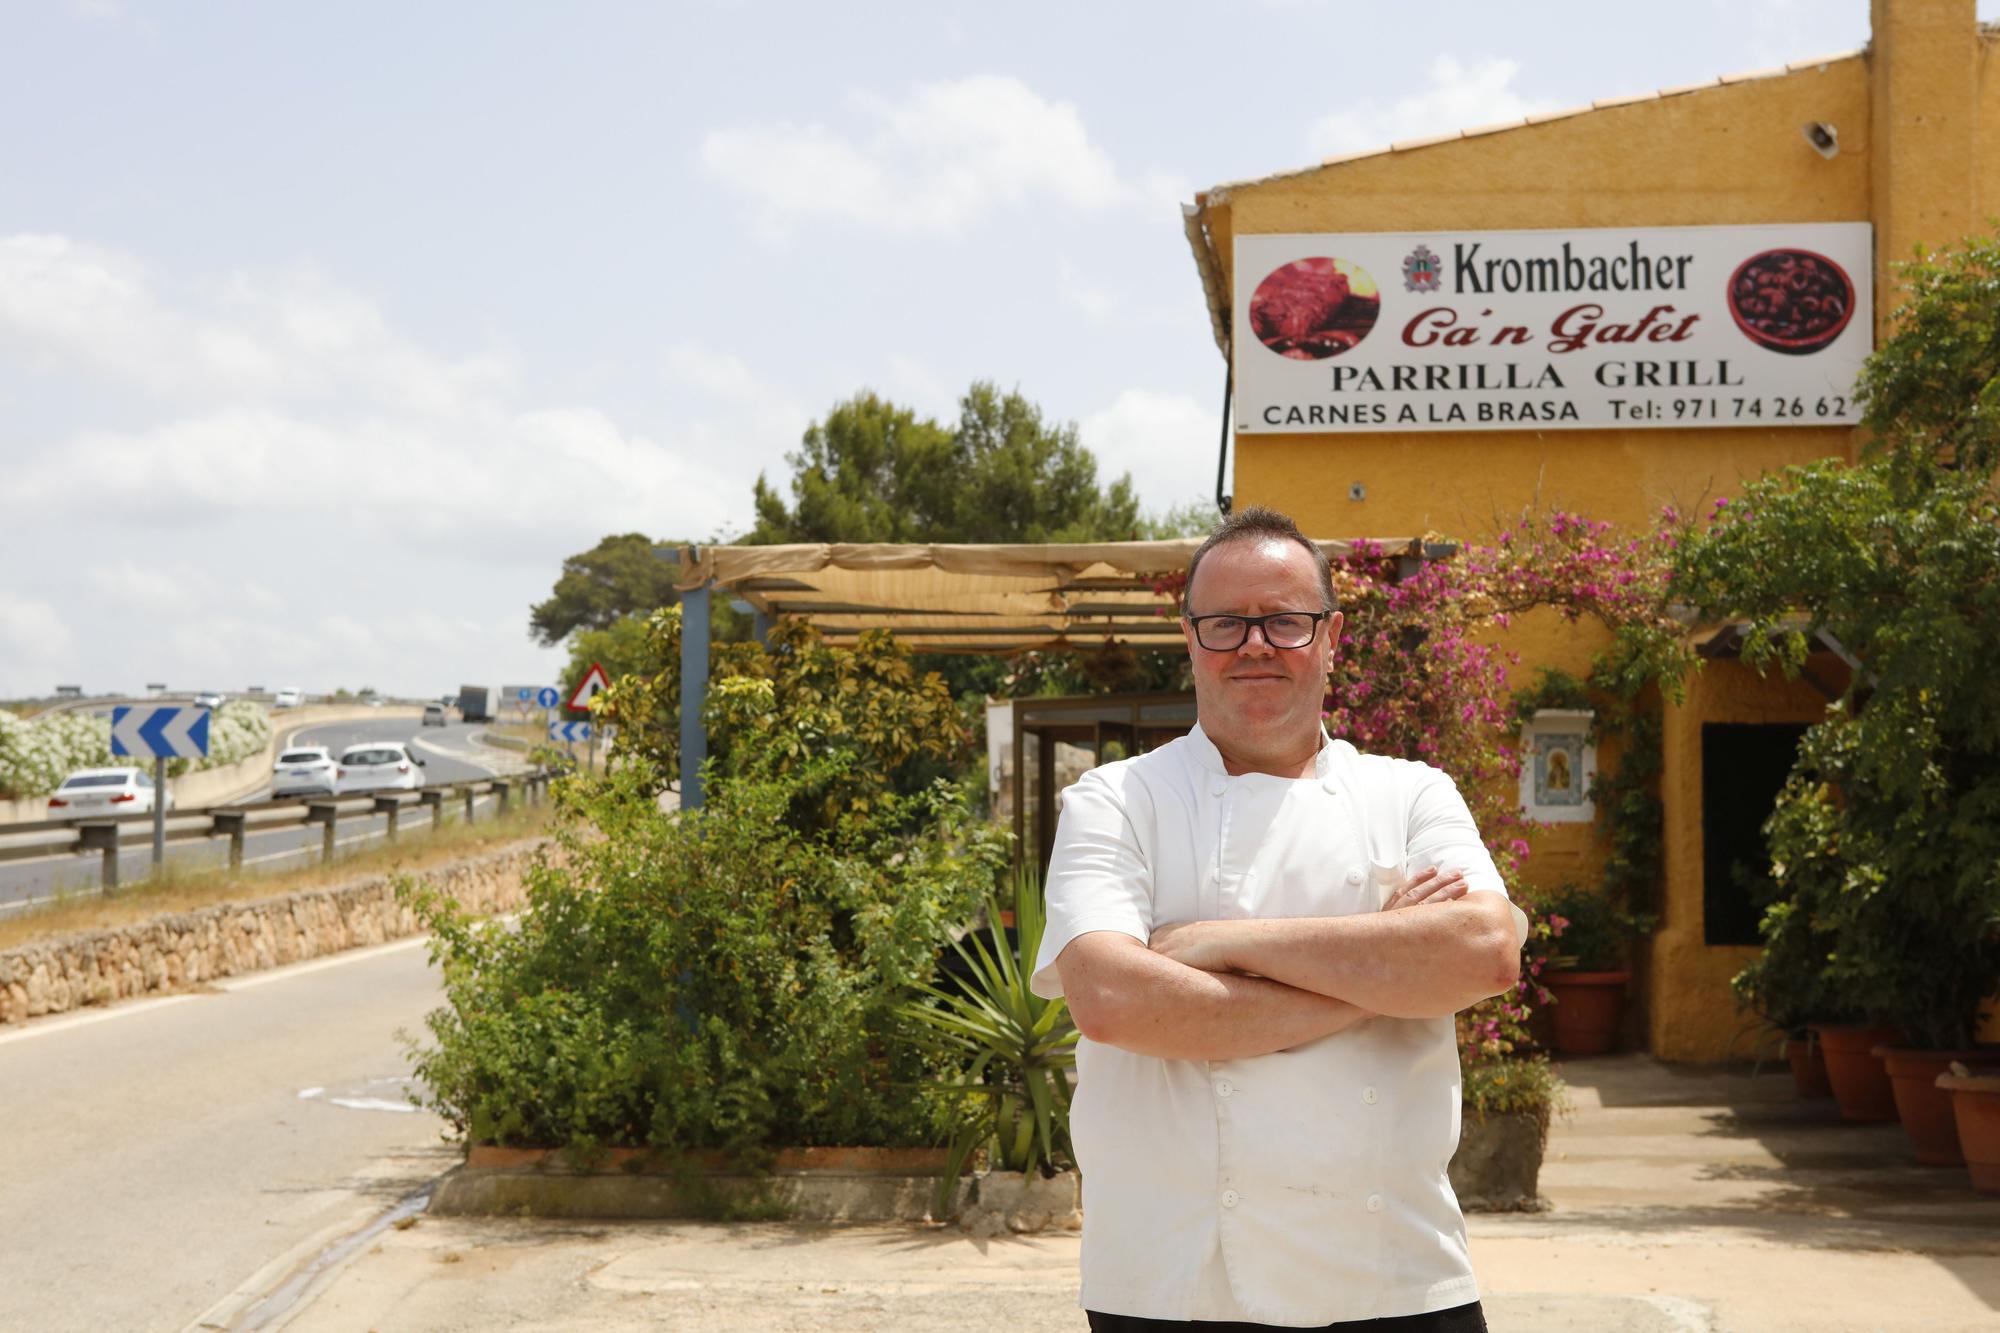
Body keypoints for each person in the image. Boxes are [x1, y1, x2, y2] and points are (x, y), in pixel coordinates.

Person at [1030, 506, 1528, 1331]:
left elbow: (1484, 952)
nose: (1255, 644)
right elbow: (1112, 1000)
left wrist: (1217, 944)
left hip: (1394, 1273)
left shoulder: (1410, 793)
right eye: (1225, 622)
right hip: (1172, 1281)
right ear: (1190, 637)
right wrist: (1387, 980)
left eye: (1285, 620)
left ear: (1330, 636)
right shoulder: (1116, 800)